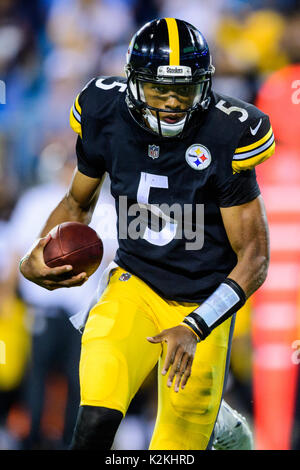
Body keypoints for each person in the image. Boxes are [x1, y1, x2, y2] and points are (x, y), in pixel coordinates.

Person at [19, 18, 274, 450]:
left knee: (173, 452)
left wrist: (194, 326)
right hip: (134, 285)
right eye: (160, 89)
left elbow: (255, 258)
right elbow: (76, 203)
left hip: (202, 301)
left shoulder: (228, 132)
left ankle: (221, 428)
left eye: (185, 89)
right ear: (133, 82)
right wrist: (38, 255)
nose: (173, 101)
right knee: (94, 422)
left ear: (205, 85)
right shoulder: (103, 111)